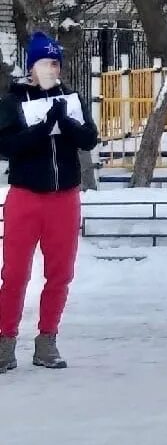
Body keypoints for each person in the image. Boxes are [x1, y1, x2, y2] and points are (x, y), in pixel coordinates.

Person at [0, 31, 99, 372]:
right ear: (31, 66)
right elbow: (6, 146)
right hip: (26, 196)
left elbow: (89, 138)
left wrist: (66, 123)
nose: (51, 68)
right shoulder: (13, 101)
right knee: (14, 273)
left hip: (64, 198)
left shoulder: (69, 97)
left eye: (55, 63)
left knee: (60, 273)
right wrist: (42, 129)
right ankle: (5, 339)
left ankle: (47, 340)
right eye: (44, 62)